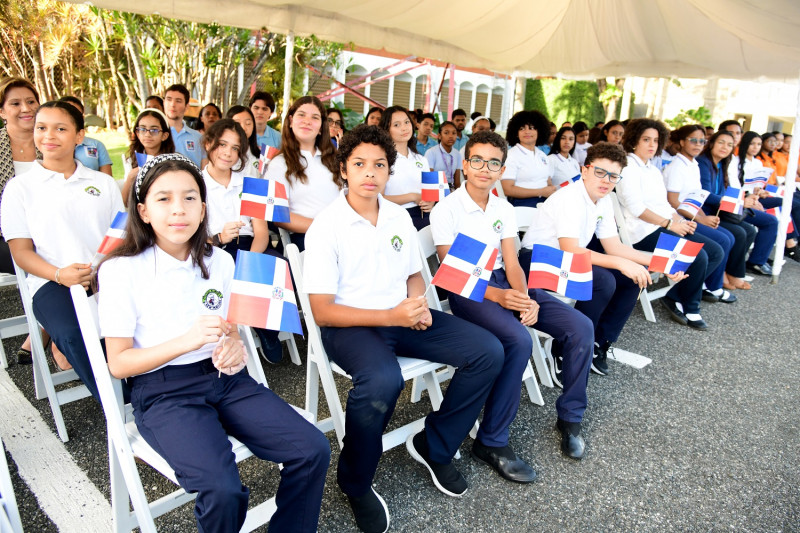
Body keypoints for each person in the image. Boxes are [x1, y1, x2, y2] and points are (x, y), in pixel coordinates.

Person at [97, 153, 329, 532]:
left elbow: (228, 327)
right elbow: (119, 363)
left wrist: (235, 343)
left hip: (225, 378)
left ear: (204, 207)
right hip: (164, 391)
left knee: (312, 449)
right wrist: (186, 342)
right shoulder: (121, 270)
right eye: (164, 199)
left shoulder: (218, 261)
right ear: (142, 211)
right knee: (223, 490)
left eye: (190, 198)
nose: (179, 210)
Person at [303, 125, 503, 533]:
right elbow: (323, 312)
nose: (370, 173)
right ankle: (355, 482)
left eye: (379, 164)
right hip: (351, 325)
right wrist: (393, 315)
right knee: (381, 381)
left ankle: (436, 444)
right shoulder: (326, 225)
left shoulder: (397, 216)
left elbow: (415, 272)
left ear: (388, 171)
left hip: (401, 317)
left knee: (488, 351)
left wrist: (416, 305)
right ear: (344, 170)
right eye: (359, 164)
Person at [432, 130, 594, 461]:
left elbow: (512, 263)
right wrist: (501, 298)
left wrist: (525, 298)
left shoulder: (502, 207)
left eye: (494, 163)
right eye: (477, 160)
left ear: (502, 170)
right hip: (468, 290)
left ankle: (571, 417)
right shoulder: (446, 209)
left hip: (508, 281)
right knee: (518, 340)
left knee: (581, 327)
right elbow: (454, 274)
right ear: (465, 164)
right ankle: (491, 440)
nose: (484, 168)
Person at [521, 142, 685, 375]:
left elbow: (614, 246)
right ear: (585, 170)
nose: (606, 180)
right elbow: (570, 249)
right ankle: (566, 345)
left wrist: (659, 263)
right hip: (536, 261)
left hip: (564, 260)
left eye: (613, 176)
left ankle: (598, 342)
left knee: (631, 277)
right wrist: (621, 263)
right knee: (603, 280)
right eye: (600, 172)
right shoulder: (570, 197)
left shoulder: (605, 200)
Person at [1, 100, 124, 398]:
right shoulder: (20, 188)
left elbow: (121, 236)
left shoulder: (103, 184)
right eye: (41, 128)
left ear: (79, 136)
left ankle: (144, 389)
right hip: (51, 282)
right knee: (73, 334)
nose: (48, 136)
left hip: (104, 276)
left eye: (60, 128)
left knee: (135, 322)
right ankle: (117, 403)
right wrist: (60, 274)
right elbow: (21, 252)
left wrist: (105, 270)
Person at [615, 119, 726, 330]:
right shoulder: (627, 167)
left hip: (663, 226)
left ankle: (674, 296)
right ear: (634, 140)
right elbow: (636, 208)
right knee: (697, 255)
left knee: (715, 251)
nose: (651, 145)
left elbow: (664, 204)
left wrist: (680, 221)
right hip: (641, 233)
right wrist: (669, 224)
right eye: (646, 139)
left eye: (656, 140)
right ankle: (690, 307)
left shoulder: (653, 170)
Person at [0, 77, 43, 364]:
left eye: (30, 101)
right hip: (4, 236)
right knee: (50, 262)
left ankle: (41, 328)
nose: (25, 108)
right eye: (15, 103)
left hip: (48, 231)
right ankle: (44, 329)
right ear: (2, 111)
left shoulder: (52, 139)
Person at [264, 96, 339, 251]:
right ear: (291, 121)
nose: (307, 121)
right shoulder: (279, 163)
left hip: (342, 236)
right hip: (306, 240)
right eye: (301, 115)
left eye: (315, 117)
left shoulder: (336, 160)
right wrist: (325, 229)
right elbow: (278, 216)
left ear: (321, 127)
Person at [695, 131, 757, 290]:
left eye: (730, 145)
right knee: (737, 233)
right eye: (721, 142)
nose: (725, 147)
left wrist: (744, 199)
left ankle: (731, 273)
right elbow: (706, 194)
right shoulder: (703, 163)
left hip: (718, 210)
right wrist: (739, 202)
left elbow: (723, 192)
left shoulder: (722, 164)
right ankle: (717, 280)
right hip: (703, 212)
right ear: (712, 143)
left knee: (748, 230)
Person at [379, 106, 432, 230]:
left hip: (423, 217)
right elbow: (378, 198)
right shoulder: (382, 160)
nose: (404, 128)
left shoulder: (421, 159)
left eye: (407, 122)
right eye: (396, 125)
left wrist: (431, 202)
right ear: (387, 130)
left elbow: (430, 192)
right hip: (394, 218)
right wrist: (413, 197)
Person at [735, 131, 778, 276]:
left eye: (758, 144)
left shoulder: (758, 162)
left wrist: (759, 193)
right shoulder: (736, 162)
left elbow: (756, 186)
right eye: (752, 143)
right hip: (741, 201)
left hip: (754, 198)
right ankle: (756, 261)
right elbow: (737, 188)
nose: (755, 147)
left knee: (786, 203)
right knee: (771, 221)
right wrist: (751, 198)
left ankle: (762, 256)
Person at [501, 110, 555, 207]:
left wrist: (551, 190)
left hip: (546, 202)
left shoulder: (542, 156)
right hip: (522, 204)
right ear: (516, 133)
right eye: (522, 128)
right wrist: (541, 192)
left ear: (539, 131)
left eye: (532, 128)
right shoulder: (511, 155)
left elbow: (548, 182)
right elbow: (507, 189)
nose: (527, 132)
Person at [122, 108, 175, 204]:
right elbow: (124, 202)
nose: (147, 134)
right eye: (142, 129)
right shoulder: (132, 160)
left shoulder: (174, 160)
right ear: (137, 133)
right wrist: (130, 177)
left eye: (154, 130)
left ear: (164, 135)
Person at [59, 96, 113, 176]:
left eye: (76, 114)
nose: (72, 118)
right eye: (67, 113)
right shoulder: (49, 145)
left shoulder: (96, 145)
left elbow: (108, 180)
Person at [164, 84, 205, 168]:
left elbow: (204, 167)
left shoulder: (198, 137)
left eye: (178, 101)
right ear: (163, 103)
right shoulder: (156, 134)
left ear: (186, 106)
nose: (172, 104)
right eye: (169, 99)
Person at [425, 121, 463, 190]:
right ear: (439, 136)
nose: (451, 136)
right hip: (435, 189)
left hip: (451, 190)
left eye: (454, 133)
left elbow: (457, 182)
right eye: (446, 133)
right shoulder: (431, 152)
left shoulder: (457, 154)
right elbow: (429, 180)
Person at [226, 105, 261, 177]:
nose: (243, 128)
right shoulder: (223, 153)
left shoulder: (262, 155)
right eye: (238, 124)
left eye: (248, 123)